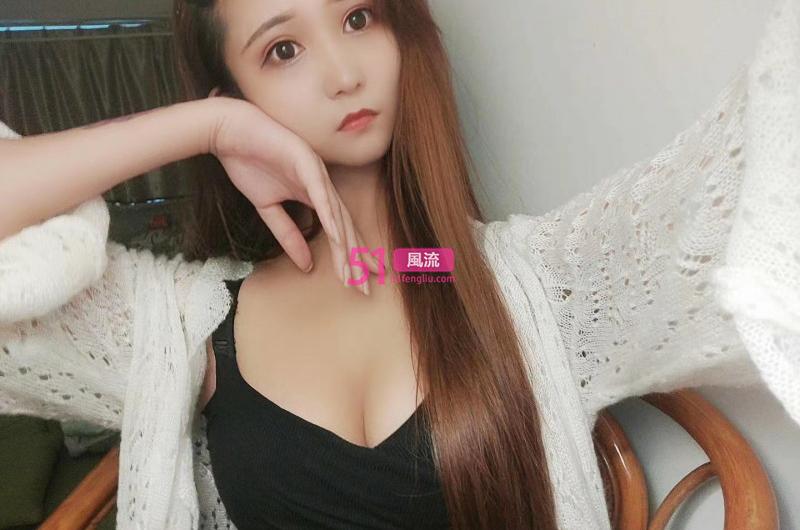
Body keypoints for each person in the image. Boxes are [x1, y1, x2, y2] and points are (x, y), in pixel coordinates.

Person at [0, 0, 798, 528]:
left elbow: (766, 145)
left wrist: (433, 261)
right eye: (282, 49)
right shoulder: (184, 325)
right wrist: (200, 130)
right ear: (235, 95)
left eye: (358, 17)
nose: (344, 72)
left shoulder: (532, 281)